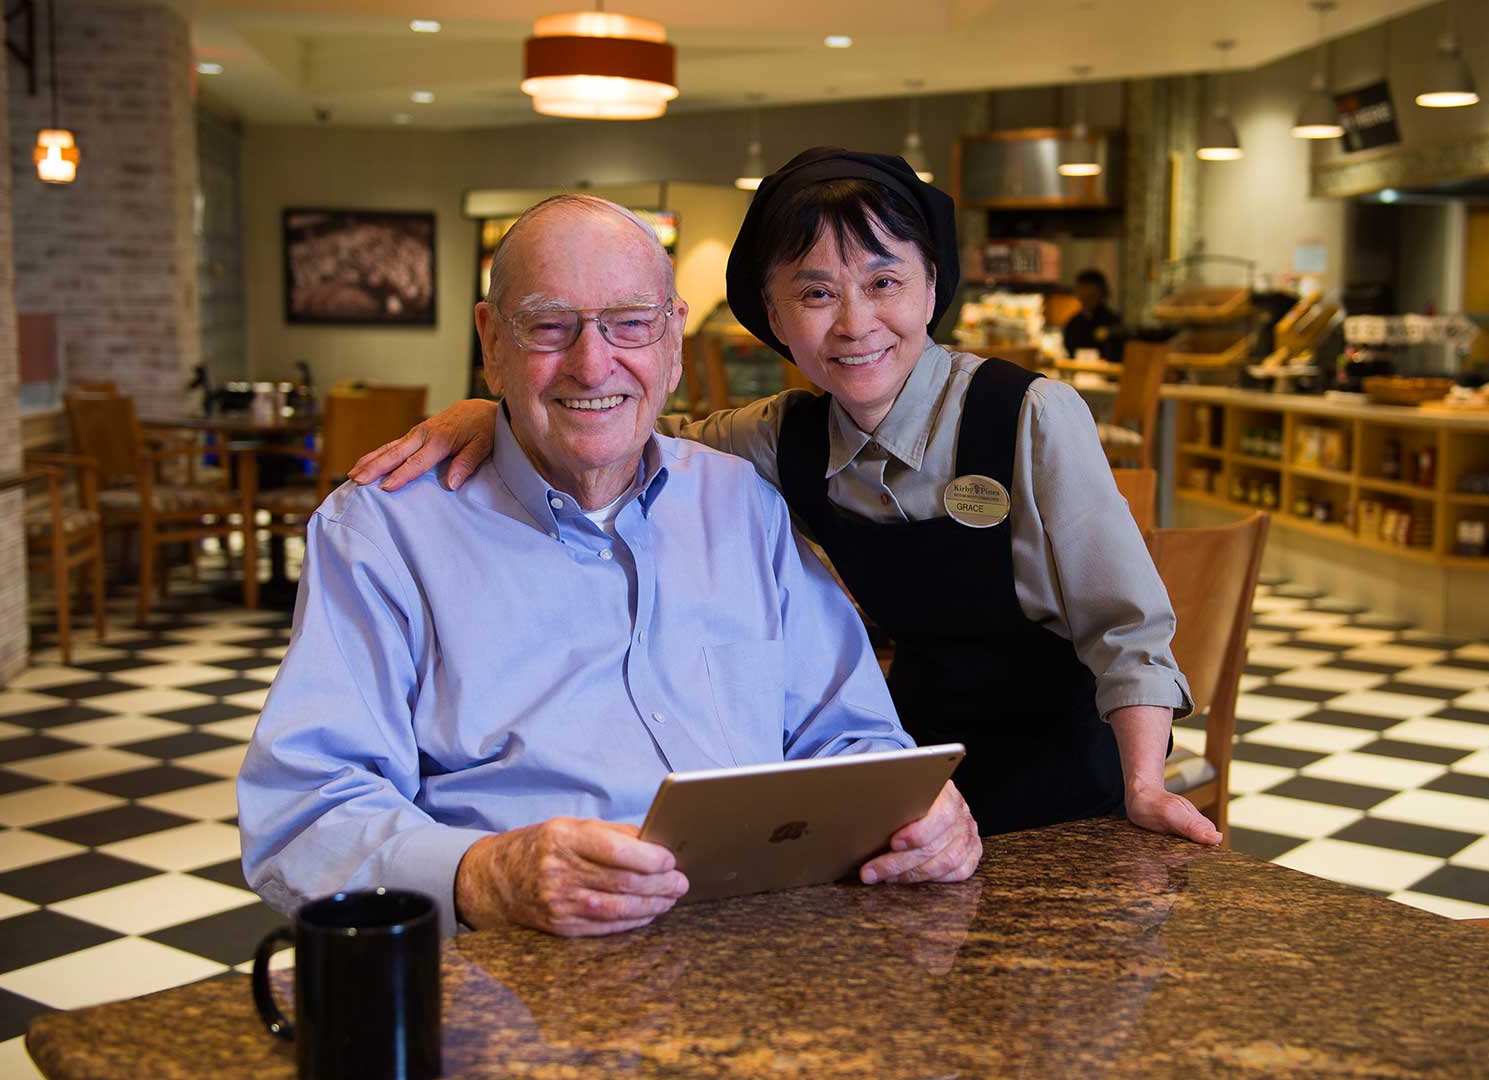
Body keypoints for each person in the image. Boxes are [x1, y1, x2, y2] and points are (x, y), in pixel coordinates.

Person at [352, 148, 1211, 843]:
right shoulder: (778, 435)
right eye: (814, 293)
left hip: (1067, 785)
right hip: (912, 775)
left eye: (883, 282)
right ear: (772, 314)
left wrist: (1143, 784)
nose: (854, 323)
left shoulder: (1026, 416)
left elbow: (1127, 627)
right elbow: (621, 417)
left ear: (932, 289)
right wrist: (496, 402)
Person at [238, 195, 981, 938]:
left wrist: (918, 814)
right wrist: (487, 875)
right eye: (549, 326)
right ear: (492, 343)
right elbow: (304, 815)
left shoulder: (743, 505)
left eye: (630, 323)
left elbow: (852, 737)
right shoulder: (385, 532)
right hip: (519, 978)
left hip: (761, 959)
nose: (593, 364)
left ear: (673, 342)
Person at [1062, 268, 1124, 361]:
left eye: (1091, 294)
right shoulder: (1074, 322)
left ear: (1101, 293)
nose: (1086, 297)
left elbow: (1116, 355)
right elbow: (1069, 350)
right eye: (1082, 292)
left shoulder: (1112, 321)